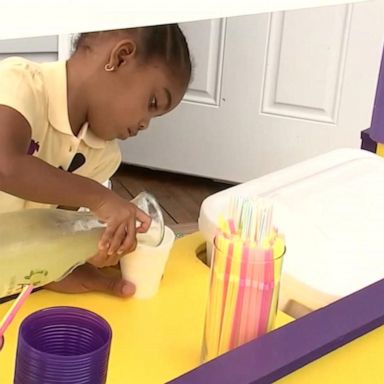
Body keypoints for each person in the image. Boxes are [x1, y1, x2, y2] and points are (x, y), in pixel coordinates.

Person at [0, 24, 192, 298]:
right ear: (121, 57)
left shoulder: (102, 155)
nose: (145, 124)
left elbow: (50, 230)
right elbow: (5, 164)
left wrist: (82, 254)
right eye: (152, 103)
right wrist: (100, 198)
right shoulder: (19, 82)